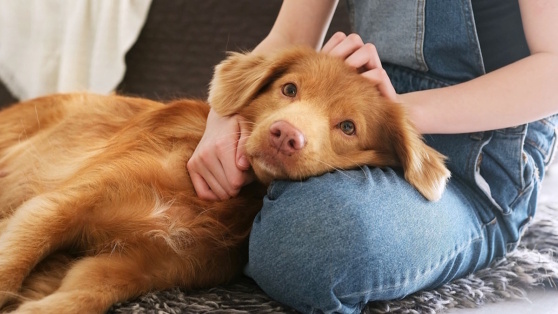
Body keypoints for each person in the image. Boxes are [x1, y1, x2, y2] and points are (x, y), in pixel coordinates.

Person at [187, 0, 558, 313]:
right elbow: (289, 36)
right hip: (352, 137)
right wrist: (221, 114)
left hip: (475, 172)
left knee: (313, 242)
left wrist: (396, 114)